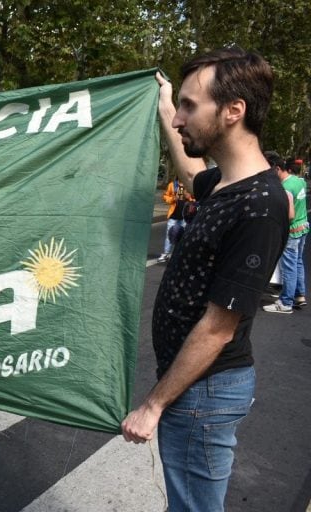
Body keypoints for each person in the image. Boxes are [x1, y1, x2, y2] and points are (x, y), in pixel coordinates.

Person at [121, 48, 289, 511]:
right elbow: (192, 170)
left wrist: (153, 406)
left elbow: (218, 328)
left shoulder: (260, 205)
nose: (180, 119)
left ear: (234, 111)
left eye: (190, 106)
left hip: (205, 392)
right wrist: (162, 105)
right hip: (198, 388)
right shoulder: (226, 185)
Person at [263, 154, 308, 313]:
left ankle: (286, 302)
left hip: (292, 231)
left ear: (277, 168)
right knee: (297, 263)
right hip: (303, 228)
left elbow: (289, 214)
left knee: (289, 267)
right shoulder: (299, 181)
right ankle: (299, 295)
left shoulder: (286, 187)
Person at [157, 176, 193, 262]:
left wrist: (189, 197)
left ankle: (179, 254)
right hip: (173, 214)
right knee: (169, 234)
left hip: (185, 215)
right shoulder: (172, 185)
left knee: (183, 236)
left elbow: (196, 199)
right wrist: (173, 199)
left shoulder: (190, 185)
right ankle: (166, 253)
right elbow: (165, 197)